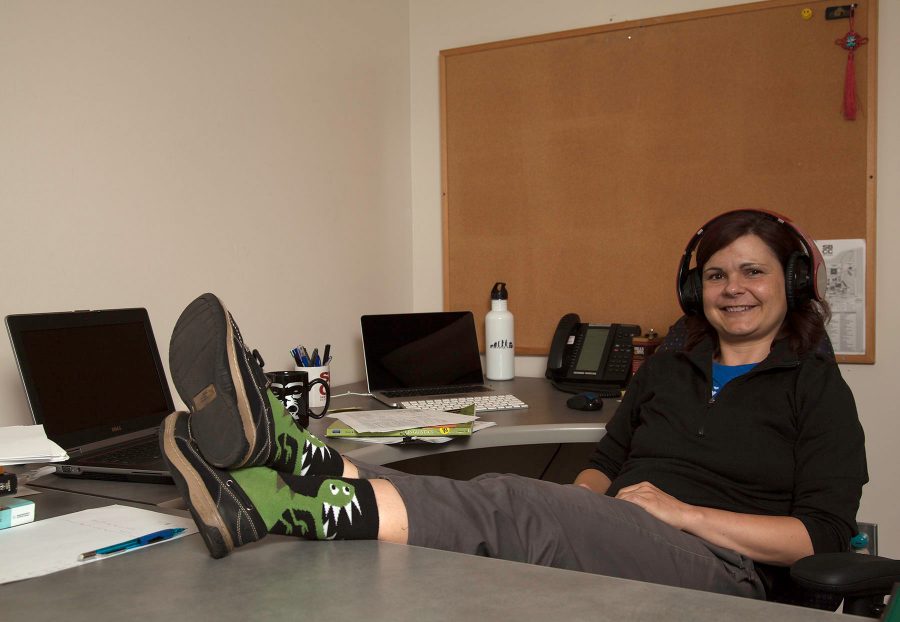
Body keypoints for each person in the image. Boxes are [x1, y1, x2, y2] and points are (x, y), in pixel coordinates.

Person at [159, 209, 867, 600]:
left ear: (791, 282)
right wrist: (587, 508)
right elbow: (607, 460)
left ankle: (285, 485)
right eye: (716, 274)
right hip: (627, 534)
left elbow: (824, 539)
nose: (732, 287)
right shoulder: (668, 368)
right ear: (695, 290)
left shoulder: (815, 389)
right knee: (478, 495)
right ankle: (283, 472)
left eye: (752, 272)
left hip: (723, 572)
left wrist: (679, 516)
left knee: (509, 505)